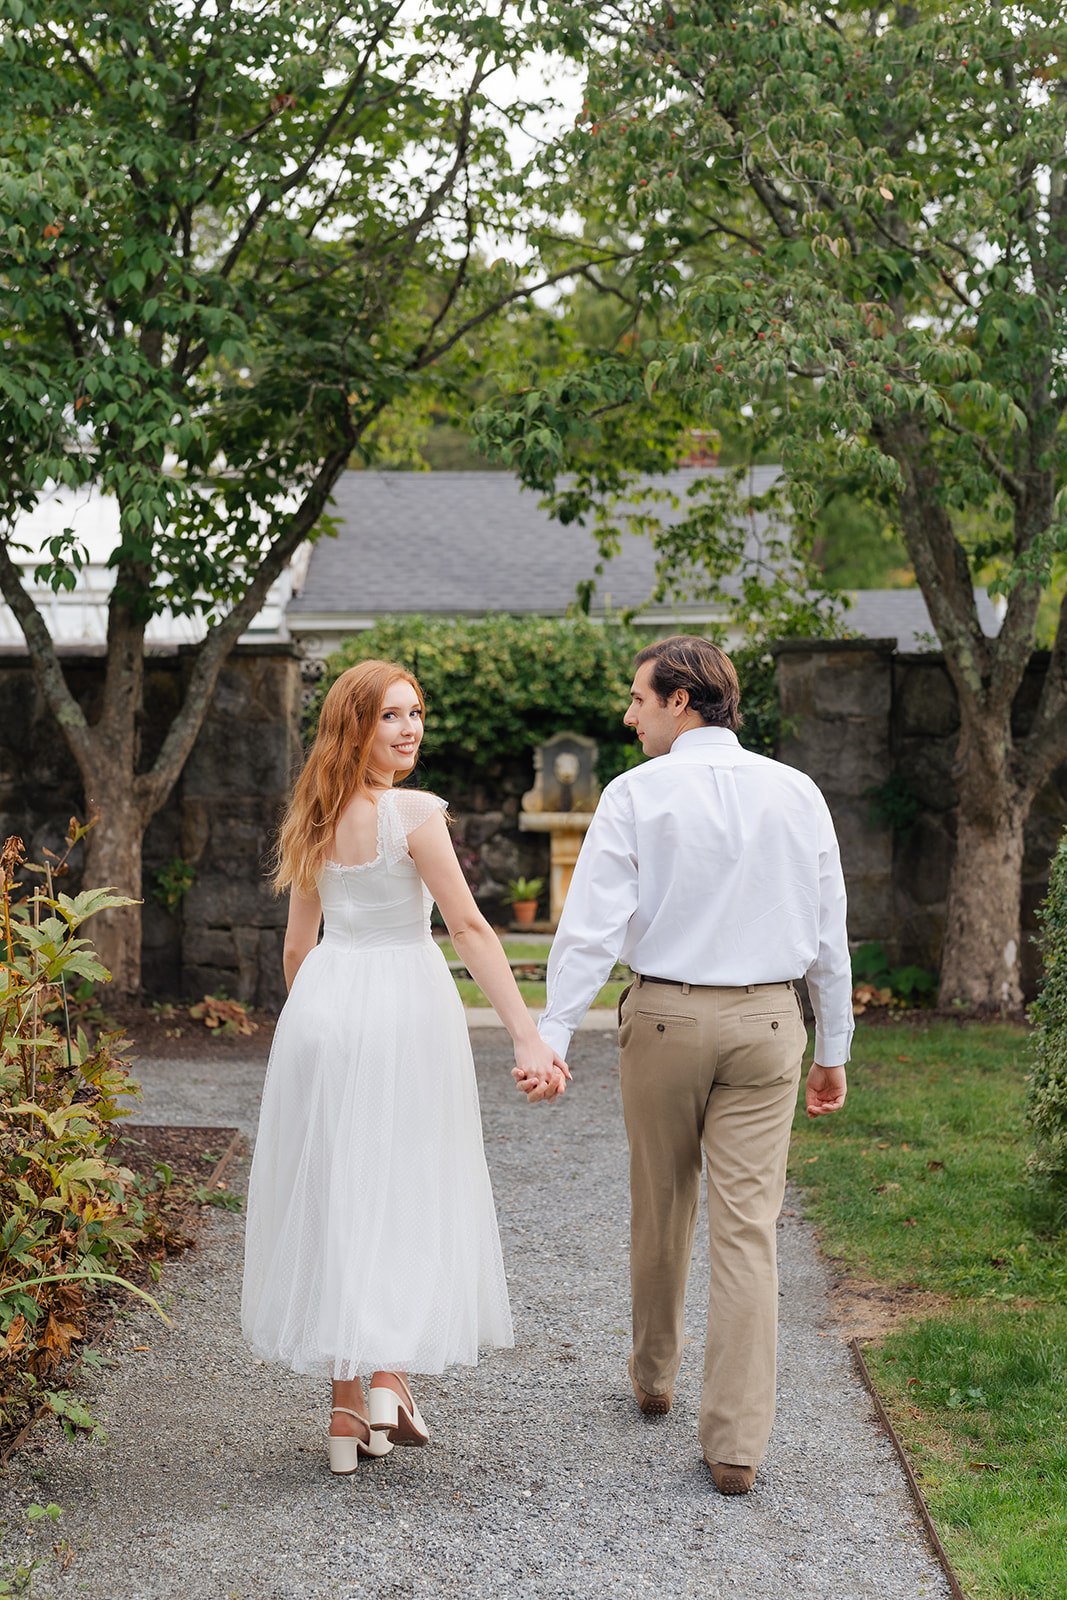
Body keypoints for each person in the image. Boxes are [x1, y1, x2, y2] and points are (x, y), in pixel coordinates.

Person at [519, 635, 852, 1495]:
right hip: (772, 1022)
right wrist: (833, 1049)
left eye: (638, 698)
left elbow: (589, 926)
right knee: (749, 1231)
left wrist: (553, 1037)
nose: (628, 715)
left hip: (665, 1016)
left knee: (660, 1201)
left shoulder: (636, 794)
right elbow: (828, 935)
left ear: (680, 700)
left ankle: (654, 1376)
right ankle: (736, 1447)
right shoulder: (797, 791)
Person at [241, 659, 569, 1474]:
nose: (409, 728)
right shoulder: (415, 814)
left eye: (415, 712)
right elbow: (469, 928)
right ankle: (386, 1379)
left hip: (325, 1005)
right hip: (403, 1005)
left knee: (341, 1189)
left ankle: (348, 1407)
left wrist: (318, 1018)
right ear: (355, 725)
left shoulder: (313, 816)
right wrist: (526, 1036)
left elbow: (295, 946)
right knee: (401, 1183)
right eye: (391, 715)